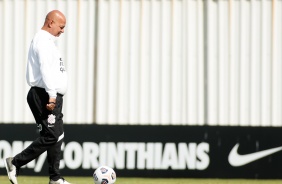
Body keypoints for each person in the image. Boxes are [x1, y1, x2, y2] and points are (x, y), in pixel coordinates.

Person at [4, 10, 71, 184]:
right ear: (51, 23)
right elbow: (46, 70)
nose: (63, 31)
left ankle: (55, 178)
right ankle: (16, 162)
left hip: (48, 94)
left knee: (58, 135)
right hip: (44, 95)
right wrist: (51, 96)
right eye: (61, 27)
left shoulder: (48, 41)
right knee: (52, 136)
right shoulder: (43, 41)